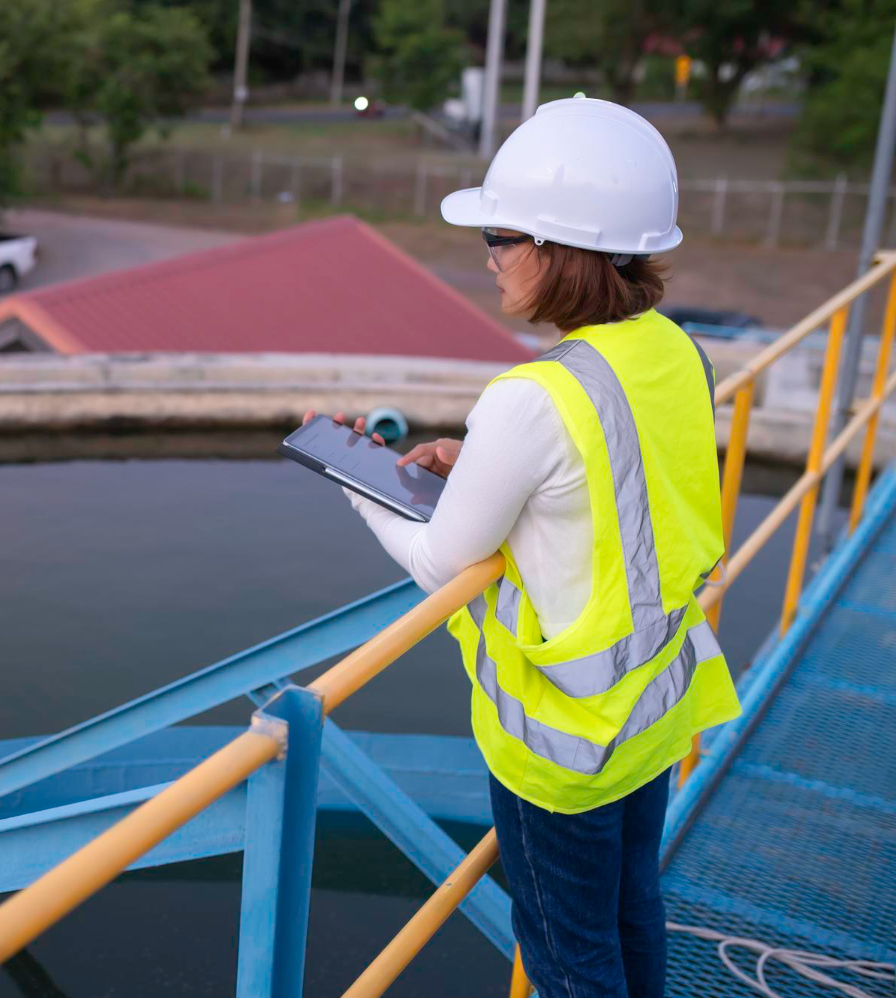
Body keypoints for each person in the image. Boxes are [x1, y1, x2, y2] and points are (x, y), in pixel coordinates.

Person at [304, 97, 740, 998]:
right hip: (651, 708)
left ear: (558, 247)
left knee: (568, 955)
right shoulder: (676, 350)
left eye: (501, 237)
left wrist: (355, 481)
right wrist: (496, 472)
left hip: (564, 746)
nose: (492, 259)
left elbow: (441, 566)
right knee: (631, 916)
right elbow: (629, 479)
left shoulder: (529, 398)